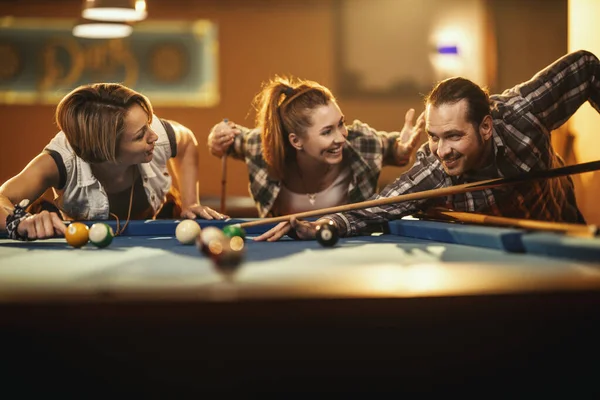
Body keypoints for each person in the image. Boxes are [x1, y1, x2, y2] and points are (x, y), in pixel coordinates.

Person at [263, 50, 598, 241]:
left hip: (560, 222)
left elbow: (585, 67)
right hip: (499, 253)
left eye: (453, 136)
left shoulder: (522, 113)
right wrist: (327, 224)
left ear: (485, 126)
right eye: (434, 137)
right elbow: (379, 206)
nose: (442, 150)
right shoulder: (437, 169)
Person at [0, 83, 225, 241]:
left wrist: (190, 203)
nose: (154, 136)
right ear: (104, 150)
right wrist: (18, 221)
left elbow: (186, 141)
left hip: (156, 227)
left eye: (148, 124)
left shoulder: (158, 134)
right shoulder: (60, 160)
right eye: (140, 136)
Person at [207, 76, 425, 226]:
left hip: (350, 254)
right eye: (327, 132)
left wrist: (402, 150)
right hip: (281, 255)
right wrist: (216, 137)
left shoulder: (361, 143)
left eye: (341, 124)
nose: (341, 137)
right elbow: (225, 141)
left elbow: (393, 150)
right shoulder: (262, 145)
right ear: (296, 141)